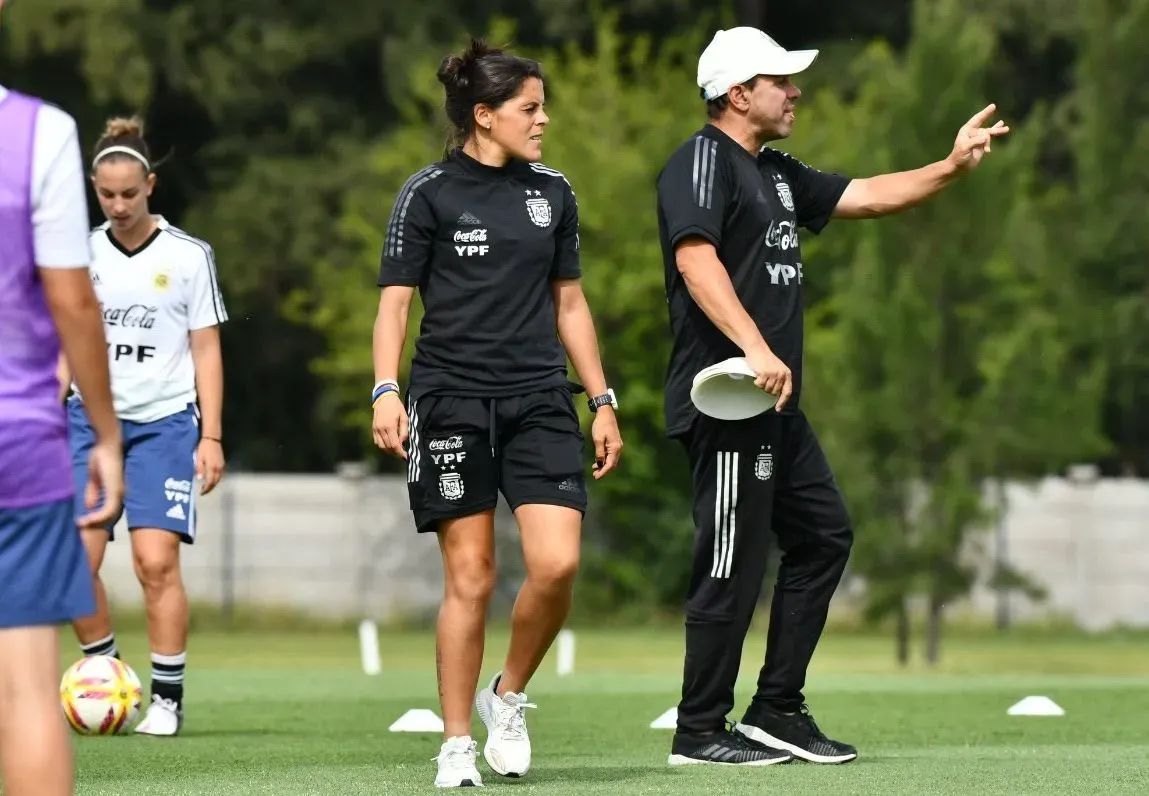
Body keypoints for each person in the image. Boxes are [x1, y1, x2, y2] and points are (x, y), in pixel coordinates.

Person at [656, 26, 1009, 766]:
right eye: (779, 80)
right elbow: (695, 261)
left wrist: (949, 166)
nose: (795, 91)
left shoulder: (774, 171)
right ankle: (697, 730)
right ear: (735, 92)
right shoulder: (700, 161)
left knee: (823, 537)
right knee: (731, 563)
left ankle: (777, 708)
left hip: (775, 407)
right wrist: (754, 347)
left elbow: (870, 197)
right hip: (728, 400)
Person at [372, 37, 623, 789]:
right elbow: (393, 306)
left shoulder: (554, 193)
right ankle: (454, 743)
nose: (543, 120)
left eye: (541, 107)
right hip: (449, 401)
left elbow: (569, 303)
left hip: (541, 399)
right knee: (472, 578)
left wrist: (603, 399)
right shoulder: (427, 195)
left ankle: (505, 695)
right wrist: (386, 387)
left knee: (557, 564)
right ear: (483, 116)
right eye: (529, 109)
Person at [58, 115, 229, 737]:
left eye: (130, 193)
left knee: (155, 564)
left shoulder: (189, 256)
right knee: (75, 559)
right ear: (94, 191)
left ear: (150, 184)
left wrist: (211, 435)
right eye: (108, 195)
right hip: (88, 424)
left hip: (165, 424)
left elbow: (206, 347)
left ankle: (166, 699)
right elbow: (66, 343)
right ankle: (105, 667)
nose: (120, 205)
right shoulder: (78, 253)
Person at [0, 38, 125, 796]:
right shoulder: (39, 132)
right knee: (25, 689)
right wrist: (106, 432)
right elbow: (74, 301)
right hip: (17, 435)